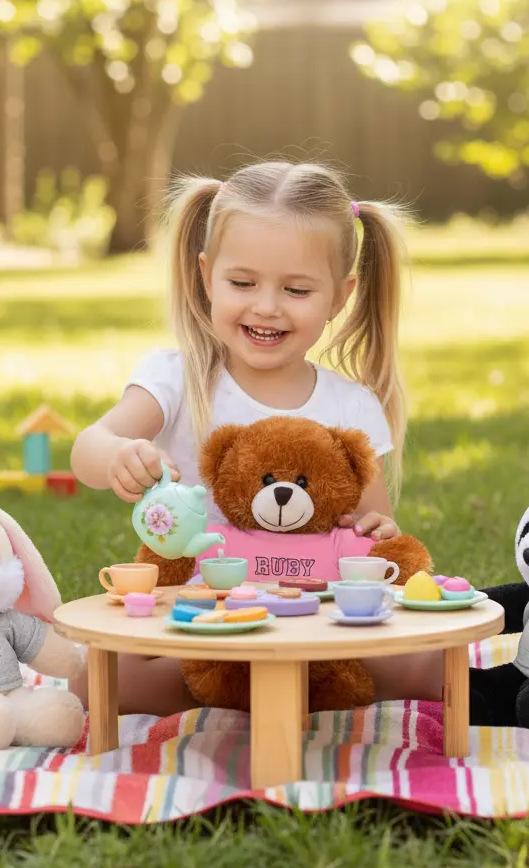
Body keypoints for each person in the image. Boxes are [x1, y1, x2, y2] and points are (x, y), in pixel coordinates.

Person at [70, 161, 441, 715]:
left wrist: (378, 530)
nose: (266, 306)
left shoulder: (351, 405)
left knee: (431, 666)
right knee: (94, 685)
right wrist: (118, 456)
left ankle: (280, 682)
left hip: (313, 615)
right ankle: (259, 684)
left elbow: (371, 529)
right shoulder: (178, 377)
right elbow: (87, 446)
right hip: (197, 615)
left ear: (340, 297)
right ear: (205, 274)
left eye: (296, 289)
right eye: (242, 283)